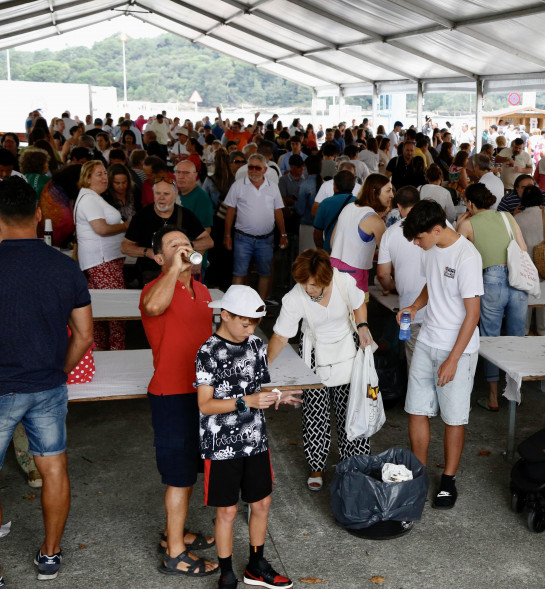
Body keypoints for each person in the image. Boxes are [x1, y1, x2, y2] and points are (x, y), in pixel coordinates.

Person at [0, 177, 93, 588]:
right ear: (39, 215)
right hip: (47, 384)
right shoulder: (64, 266)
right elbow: (86, 335)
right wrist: (60, 369)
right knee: (53, 468)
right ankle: (50, 556)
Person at [196, 285, 300, 589]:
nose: (249, 329)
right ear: (224, 314)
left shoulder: (255, 345)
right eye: (244, 321)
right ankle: (226, 574)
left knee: (262, 503)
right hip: (221, 444)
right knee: (226, 512)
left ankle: (256, 564)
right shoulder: (208, 351)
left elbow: (255, 391)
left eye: (254, 323)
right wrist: (247, 403)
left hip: (255, 440)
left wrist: (278, 396)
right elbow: (205, 405)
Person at [141, 225, 218, 578]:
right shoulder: (154, 290)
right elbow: (155, 306)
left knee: (189, 470)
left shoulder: (202, 291)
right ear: (159, 257)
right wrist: (174, 268)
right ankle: (175, 553)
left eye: (187, 244)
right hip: (171, 395)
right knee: (179, 477)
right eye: (173, 246)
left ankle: (176, 532)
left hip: (200, 393)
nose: (184, 249)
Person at [399, 200, 483, 509]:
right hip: (427, 339)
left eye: (420, 238)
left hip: (457, 347)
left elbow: (472, 315)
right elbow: (429, 286)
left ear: (437, 229)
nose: (417, 244)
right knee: (417, 409)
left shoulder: (467, 257)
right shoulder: (430, 250)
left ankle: (448, 480)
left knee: (453, 416)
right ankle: (418, 474)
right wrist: (414, 307)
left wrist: (453, 359)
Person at [268, 250, 373, 492]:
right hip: (314, 351)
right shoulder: (295, 297)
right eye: (303, 283)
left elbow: (359, 304)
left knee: (352, 408)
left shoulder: (342, 281)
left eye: (313, 284)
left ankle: (353, 464)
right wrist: (266, 366)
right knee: (315, 412)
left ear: (326, 278)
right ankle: (317, 465)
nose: (308, 289)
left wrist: (363, 325)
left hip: (347, 347)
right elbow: (281, 335)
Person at [456, 183, 529, 411]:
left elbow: (458, 258)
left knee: (490, 339)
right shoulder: (507, 217)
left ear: (469, 203)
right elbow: (523, 250)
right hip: (517, 280)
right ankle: (516, 393)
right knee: (516, 337)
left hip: (491, 279)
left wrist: (459, 223)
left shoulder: (467, 224)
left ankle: (493, 397)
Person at [74, 160, 129, 350]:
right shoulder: (89, 198)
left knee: (99, 310)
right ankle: (116, 352)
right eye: (99, 174)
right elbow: (101, 229)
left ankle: (102, 352)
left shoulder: (93, 197)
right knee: (116, 312)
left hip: (101, 261)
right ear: (87, 178)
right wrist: (126, 226)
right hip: (102, 261)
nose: (105, 177)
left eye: (105, 173)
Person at [121, 177, 212, 284]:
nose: (161, 197)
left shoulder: (185, 215)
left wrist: (185, 247)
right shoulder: (142, 216)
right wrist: (147, 252)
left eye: (166, 194)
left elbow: (208, 241)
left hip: (180, 273)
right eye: (158, 193)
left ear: (175, 195)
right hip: (150, 274)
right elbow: (125, 247)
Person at [223, 154, 288, 304]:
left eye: (257, 167)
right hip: (242, 238)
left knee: (265, 273)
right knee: (239, 273)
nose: (253, 170)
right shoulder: (238, 185)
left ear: (265, 169)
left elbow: (278, 211)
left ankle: (259, 307)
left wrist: (283, 233)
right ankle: (235, 306)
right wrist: (227, 235)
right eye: (250, 167)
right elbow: (230, 211)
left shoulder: (273, 187)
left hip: (266, 239)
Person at [376, 186, 430, 364]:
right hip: (441, 311)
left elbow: (383, 275)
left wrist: (393, 286)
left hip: (410, 310)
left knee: (415, 367)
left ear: (398, 207)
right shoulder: (440, 226)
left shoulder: (390, 233)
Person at [329, 173, 393, 293]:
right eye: (388, 191)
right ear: (375, 192)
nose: (392, 195)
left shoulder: (348, 207)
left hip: (333, 270)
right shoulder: (375, 221)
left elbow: (333, 243)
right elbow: (388, 256)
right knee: (358, 311)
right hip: (355, 276)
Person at [515, 186, 545, 336]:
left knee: (525, 303)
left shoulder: (517, 219)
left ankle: (524, 332)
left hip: (524, 267)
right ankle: (543, 333)